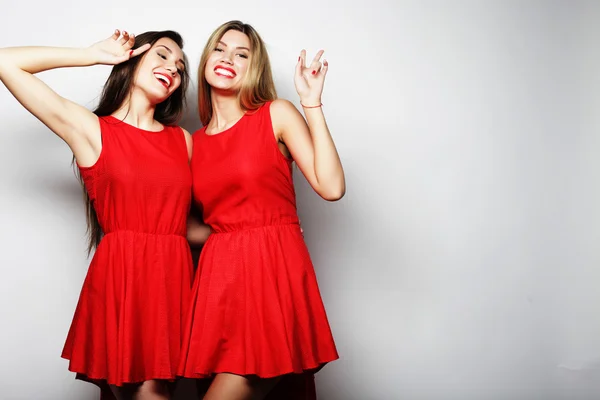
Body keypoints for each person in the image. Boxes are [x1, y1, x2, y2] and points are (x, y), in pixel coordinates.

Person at [0, 30, 194, 399]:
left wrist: (258, 231)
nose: (173, 68)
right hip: (123, 279)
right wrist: (90, 54)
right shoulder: (92, 130)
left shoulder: (182, 141)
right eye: (163, 55)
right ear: (132, 60)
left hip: (172, 280)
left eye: (180, 68)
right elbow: (5, 62)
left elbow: (185, 225)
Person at [179, 20, 345, 400]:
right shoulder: (193, 143)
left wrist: (311, 103)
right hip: (218, 280)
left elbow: (332, 186)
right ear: (205, 60)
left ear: (254, 68)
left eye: (242, 54)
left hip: (271, 271)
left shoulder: (277, 114)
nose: (228, 58)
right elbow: (195, 226)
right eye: (220, 49)